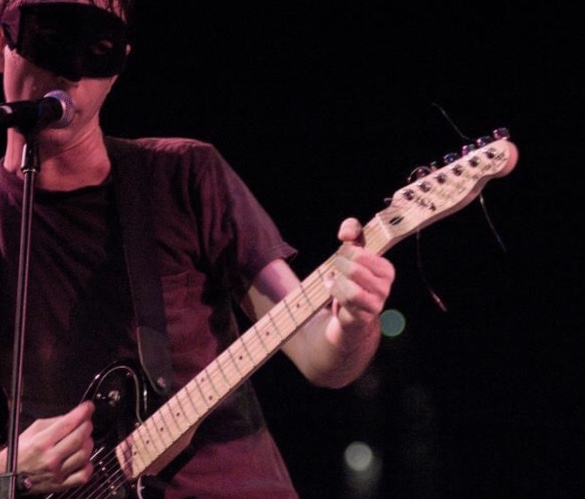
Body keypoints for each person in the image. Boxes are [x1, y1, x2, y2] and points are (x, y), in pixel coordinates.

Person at [0, 1, 396, 497]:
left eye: (98, 48)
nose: (71, 72)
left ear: (118, 67)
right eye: (49, 34)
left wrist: (353, 324)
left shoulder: (185, 176)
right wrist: (7, 469)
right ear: (2, 43)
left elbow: (321, 355)